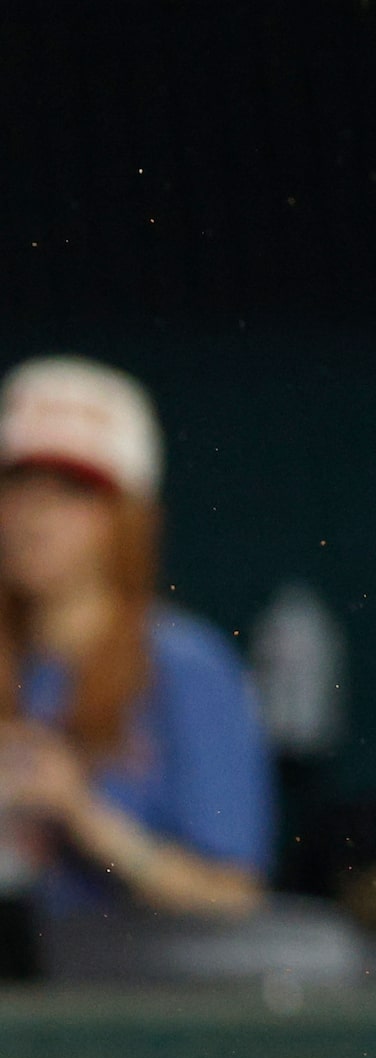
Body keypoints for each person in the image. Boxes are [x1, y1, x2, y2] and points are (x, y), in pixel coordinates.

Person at [0, 357, 269, 918]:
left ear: (126, 516)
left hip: (124, 986)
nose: (37, 515)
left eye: (74, 490)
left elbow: (234, 896)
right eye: (20, 485)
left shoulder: (184, 665)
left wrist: (81, 814)